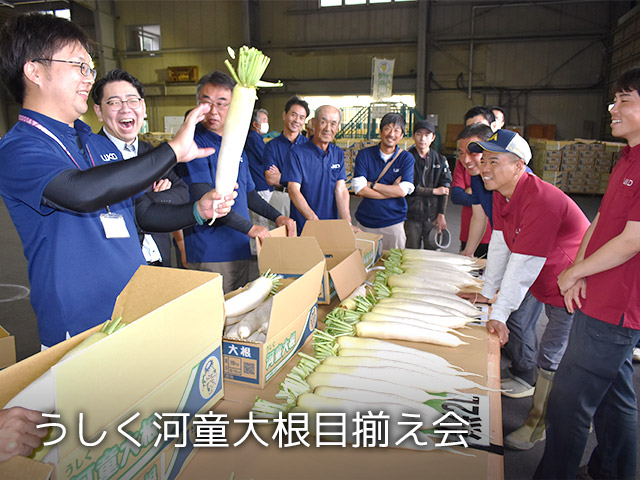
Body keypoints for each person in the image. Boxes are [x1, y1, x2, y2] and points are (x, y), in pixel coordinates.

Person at [0, 13, 233, 348]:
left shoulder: (94, 144)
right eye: (79, 65)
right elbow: (79, 191)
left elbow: (140, 214)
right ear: (34, 70)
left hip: (132, 308)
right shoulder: (20, 148)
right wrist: (171, 152)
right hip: (82, 326)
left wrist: (197, 210)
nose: (87, 77)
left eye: (90, 67)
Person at [535, 67, 640, 480]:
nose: (612, 108)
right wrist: (577, 271)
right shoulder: (628, 157)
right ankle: (614, 470)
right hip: (599, 294)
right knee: (616, 399)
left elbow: (634, 239)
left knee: (567, 403)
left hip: (615, 306)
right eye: (613, 99)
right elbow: (599, 223)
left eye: (624, 101)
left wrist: (572, 274)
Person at [467, 130, 590, 451]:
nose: (484, 167)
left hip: (572, 287)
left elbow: (523, 264)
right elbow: (500, 244)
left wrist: (499, 313)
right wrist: (488, 291)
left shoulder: (542, 199)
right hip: (546, 280)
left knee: (554, 352)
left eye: (494, 160)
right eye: (483, 160)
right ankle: (579, 410)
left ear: (519, 165)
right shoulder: (502, 193)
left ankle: (539, 423)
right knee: (574, 355)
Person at [178, 71, 295, 293]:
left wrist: (278, 216)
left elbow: (249, 194)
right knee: (215, 319)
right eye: (206, 102)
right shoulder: (192, 143)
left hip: (239, 247)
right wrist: (250, 228)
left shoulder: (235, 142)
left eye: (222, 104)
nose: (214, 111)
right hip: (210, 253)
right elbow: (204, 196)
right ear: (197, 105)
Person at [93, 69, 190, 267]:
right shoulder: (89, 155)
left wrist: (149, 201)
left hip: (160, 261)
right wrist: (152, 204)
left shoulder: (153, 154)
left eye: (132, 100)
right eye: (114, 102)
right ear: (98, 111)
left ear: (143, 107)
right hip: (116, 265)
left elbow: (182, 193)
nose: (125, 109)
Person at [280, 105, 353, 235]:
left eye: (333, 124)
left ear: (337, 128)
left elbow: (341, 189)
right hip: (305, 227)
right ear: (314, 123)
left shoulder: (338, 154)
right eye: (323, 122)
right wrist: (314, 220)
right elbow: (293, 190)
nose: (328, 128)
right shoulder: (297, 153)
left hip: (331, 228)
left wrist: (347, 223)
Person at [351, 113, 415, 250]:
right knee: (362, 266)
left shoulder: (406, 158)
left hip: (394, 223)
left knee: (394, 266)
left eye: (397, 130)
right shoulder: (364, 155)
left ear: (402, 135)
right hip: (365, 222)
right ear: (380, 131)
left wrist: (373, 185)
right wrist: (392, 191)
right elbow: (360, 189)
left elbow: (402, 191)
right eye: (388, 128)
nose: (392, 134)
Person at [403, 120, 451, 249]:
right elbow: (407, 188)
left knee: (432, 252)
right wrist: (433, 191)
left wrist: (441, 214)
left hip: (433, 216)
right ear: (413, 136)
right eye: (419, 134)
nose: (423, 138)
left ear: (433, 137)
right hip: (410, 216)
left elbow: (445, 189)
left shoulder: (440, 160)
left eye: (427, 135)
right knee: (411, 253)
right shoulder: (405, 158)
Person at [450, 124, 493, 258]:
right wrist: (469, 251)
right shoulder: (477, 178)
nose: (466, 160)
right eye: (462, 153)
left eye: (473, 153)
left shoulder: (508, 181)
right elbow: (479, 216)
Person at [264, 95, 310, 217]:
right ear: (285, 115)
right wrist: (299, 178)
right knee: (280, 234)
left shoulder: (310, 146)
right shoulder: (272, 146)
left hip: (305, 198)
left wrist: (282, 176)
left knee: (305, 234)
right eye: (293, 115)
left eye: (301, 117)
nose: (297, 120)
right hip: (281, 198)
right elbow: (271, 178)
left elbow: (313, 178)